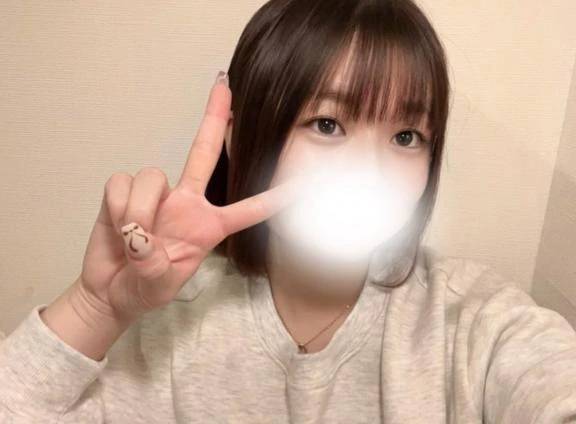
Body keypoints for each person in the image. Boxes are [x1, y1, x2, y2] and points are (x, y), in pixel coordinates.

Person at [1, 0, 576, 422]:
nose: (370, 171)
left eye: (406, 136)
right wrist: (95, 308)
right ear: (242, 134)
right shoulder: (161, 326)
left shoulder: (471, 321)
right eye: (328, 124)